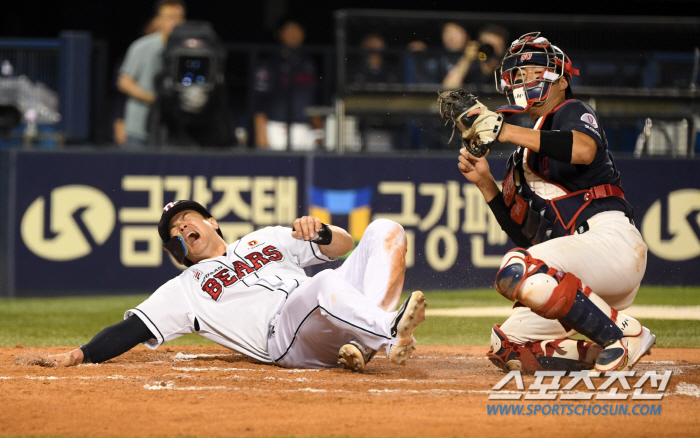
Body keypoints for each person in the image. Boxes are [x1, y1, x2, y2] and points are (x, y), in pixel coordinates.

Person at [449, 32, 654, 373]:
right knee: (508, 346)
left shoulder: (571, 110)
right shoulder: (520, 156)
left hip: (610, 243)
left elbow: (583, 149)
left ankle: (619, 335)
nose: (523, 80)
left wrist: (503, 131)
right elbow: (529, 237)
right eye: (518, 75)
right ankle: (604, 344)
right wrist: (486, 184)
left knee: (517, 269)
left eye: (532, 71)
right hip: (578, 268)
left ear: (561, 80)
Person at [49, 200, 426, 372]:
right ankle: (387, 332)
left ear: (211, 222)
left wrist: (325, 233)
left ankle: (367, 336)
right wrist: (82, 354)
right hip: (284, 338)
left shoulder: (264, 239)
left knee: (384, 230)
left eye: (186, 220)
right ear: (175, 250)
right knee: (324, 283)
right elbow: (132, 329)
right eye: (174, 232)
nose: (181, 229)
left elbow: (345, 247)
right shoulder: (186, 287)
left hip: (327, 314)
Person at [118, 0, 185, 148]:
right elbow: (124, 82)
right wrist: (154, 99)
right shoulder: (141, 47)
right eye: (169, 17)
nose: (173, 22)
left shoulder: (188, 50)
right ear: (158, 21)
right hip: (140, 130)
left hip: (174, 130)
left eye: (177, 17)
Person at [253, 20, 324, 150]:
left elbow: (313, 99)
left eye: (297, 29)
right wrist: (261, 135)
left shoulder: (308, 63)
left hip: (305, 128)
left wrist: (319, 132)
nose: (293, 34)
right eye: (289, 30)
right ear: (279, 34)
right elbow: (260, 102)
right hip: (277, 128)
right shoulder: (270, 64)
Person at [442, 24, 508, 90]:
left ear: (503, 48)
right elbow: (448, 90)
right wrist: (466, 59)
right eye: (486, 46)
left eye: (496, 46)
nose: (490, 50)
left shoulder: (509, 68)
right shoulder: (471, 68)